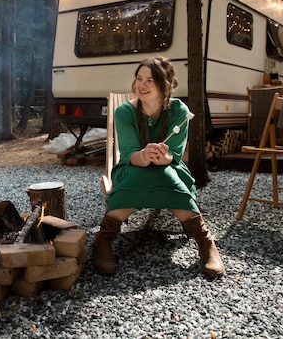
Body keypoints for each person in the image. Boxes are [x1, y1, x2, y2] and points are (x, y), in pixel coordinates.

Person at [92, 57, 225, 278]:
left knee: (167, 175)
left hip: (168, 166)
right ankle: (103, 241)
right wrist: (144, 155)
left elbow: (173, 155)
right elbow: (129, 154)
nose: (141, 85)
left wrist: (160, 157)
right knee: (137, 176)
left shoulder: (179, 110)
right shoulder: (125, 112)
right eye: (139, 79)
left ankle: (206, 242)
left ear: (165, 84)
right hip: (133, 166)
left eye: (150, 80)